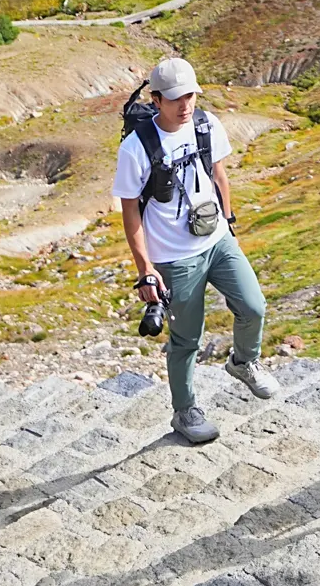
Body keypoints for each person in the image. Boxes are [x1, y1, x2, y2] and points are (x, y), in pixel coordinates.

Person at [114, 53, 273, 448]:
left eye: (190, 96)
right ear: (156, 100)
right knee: (186, 338)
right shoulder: (136, 148)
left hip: (217, 238)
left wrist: (229, 224)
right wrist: (146, 268)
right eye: (175, 98)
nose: (185, 105)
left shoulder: (206, 124)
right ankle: (185, 411)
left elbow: (219, 174)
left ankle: (243, 361)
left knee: (253, 307)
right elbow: (130, 209)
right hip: (174, 257)